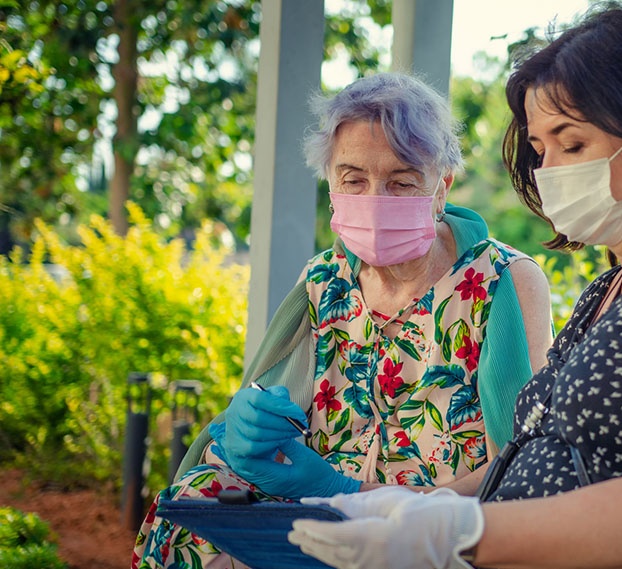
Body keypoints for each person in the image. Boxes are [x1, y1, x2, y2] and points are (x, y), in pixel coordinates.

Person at [285, 6, 622, 569]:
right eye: (541, 151)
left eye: (573, 144)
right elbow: (529, 460)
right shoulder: (613, 287)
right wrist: (397, 508)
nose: (551, 171)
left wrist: (453, 535)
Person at [132, 72, 554, 569]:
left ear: (441, 186)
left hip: (428, 526)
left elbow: (519, 464)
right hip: (310, 514)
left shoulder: (504, 280)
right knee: (187, 519)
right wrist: (252, 425)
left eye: (401, 181)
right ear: (331, 182)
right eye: (354, 180)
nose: (376, 199)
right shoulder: (323, 279)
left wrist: (351, 491)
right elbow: (276, 410)